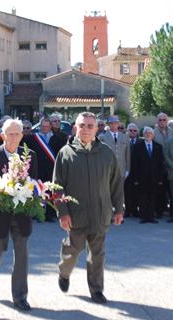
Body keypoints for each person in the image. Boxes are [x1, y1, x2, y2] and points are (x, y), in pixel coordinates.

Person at [53, 112, 124, 304]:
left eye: (90, 126)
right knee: (72, 252)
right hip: (76, 215)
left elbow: (116, 183)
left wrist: (119, 209)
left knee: (97, 254)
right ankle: (64, 272)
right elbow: (57, 186)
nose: (86, 130)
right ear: (75, 127)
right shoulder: (65, 153)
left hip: (100, 213)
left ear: (97, 128)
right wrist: (63, 212)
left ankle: (96, 290)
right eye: (82, 125)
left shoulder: (106, 152)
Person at [0, 119, 38, 312]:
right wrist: (0, 192)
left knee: (21, 255)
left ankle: (20, 296)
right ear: (2, 135)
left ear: (22, 135)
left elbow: (34, 183)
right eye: (9, 134)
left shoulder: (31, 156)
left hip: (21, 214)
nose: (13, 137)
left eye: (17, 134)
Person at [23, 118, 63, 222]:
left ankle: (49, 213)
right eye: (42, 126)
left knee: (50, 191)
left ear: (50, 126)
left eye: (46, 126)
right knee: (37, 190)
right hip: (38, 169)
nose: (44, 128)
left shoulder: (57, 138)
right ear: (40, 126)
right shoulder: (33, 138)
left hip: (51, 169)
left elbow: (59, 154)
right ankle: (37, 212)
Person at [132, 127, 165, 223]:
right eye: (146, 133)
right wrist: (136, 178)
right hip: (142, 177)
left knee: (152, 197)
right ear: (143, 134)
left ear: (153, 135)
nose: (148, 134)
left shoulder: (158, 147)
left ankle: (151, 216)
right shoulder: (138, 146)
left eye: (150, 133)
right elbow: (135, 163)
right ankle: (143, 216)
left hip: (154, 177)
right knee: (143, 197)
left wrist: (160, 178)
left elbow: (161, 163)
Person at [154, 113, 173, 216]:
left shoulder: (172, 132)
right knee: (160, 189)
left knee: (171, 189)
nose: (162, 121)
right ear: (157, 121)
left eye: (164, 120)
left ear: (167, 121)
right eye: (160, 120)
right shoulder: (153, 133)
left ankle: (172, 211)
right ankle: (160, 210)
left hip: (171, 165)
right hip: (159, 166)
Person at [99, 115, 131, 180]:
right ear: (108, 124)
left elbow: (127, 155)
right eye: (111, 123)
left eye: (116, 123)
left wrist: (127, 169)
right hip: (107, 169)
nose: (114, 125)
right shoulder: (102, 137)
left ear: (118, 124)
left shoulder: (125, 137)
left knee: (120, 189)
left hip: (121, 169)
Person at [125, 123, 142, 217]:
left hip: (138, 170)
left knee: (137, 191)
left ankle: (135, 210)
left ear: (138, 132)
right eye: (130, 130)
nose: (132, 132)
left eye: (135, 130)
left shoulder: (141, 142)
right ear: (127, 131)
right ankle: (128, 210)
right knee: (127, 191)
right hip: (126, 169)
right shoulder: (123, 141)